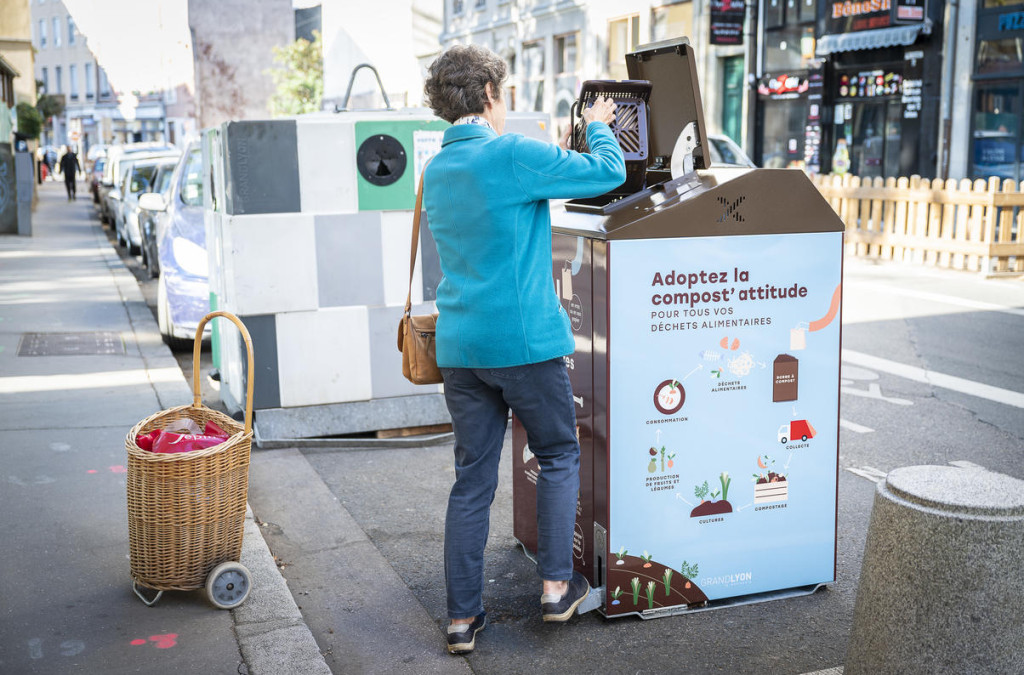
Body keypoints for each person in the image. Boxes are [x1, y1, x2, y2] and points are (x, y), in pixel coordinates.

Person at [421, 44, 625, 655]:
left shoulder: (436, 169)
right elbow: (606, 172)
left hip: (461, 348)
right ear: (489, 93)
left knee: (472, 483)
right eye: (502, 93)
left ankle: (461, 621)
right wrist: (597, 128)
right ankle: (556, 589)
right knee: (560, 451)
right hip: (525, 345)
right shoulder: (508, 153)